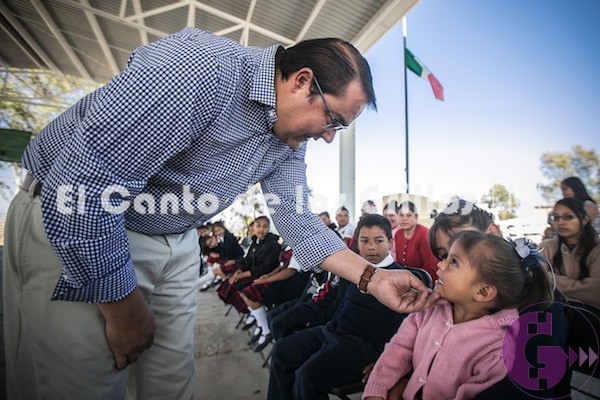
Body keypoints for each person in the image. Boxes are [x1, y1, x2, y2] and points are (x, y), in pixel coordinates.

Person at [3, 28, 437, 400]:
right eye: (332, 120)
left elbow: (300, 222)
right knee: (85, 383)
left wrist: (374, 278)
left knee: (171, 385)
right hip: (86, 228)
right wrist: (121, 307)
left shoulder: (286, 139)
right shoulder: (199, 70)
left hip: (176, 239)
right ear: (302, 81)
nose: (328, 138)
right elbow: (83, 188)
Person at [377, 198, 570, 400]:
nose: (442, 265)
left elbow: (526, 390)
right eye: (444, 255)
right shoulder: (445, 305)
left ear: (492, 233)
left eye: (457, 256)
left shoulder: (543, 306)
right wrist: (394, 378)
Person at [267, 215, 409, 400]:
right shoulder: (354, 271)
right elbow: (337, 303)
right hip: (333, 331)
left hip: (363, 346)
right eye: (364, 241)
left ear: (390, 243)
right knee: (282, 351)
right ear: (357, 243)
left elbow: (406, 330)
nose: (371, 247)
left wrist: (384, 359)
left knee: (307, 376)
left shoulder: (400, 278)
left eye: (378, 241)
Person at [539, 197, 600, 307]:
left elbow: (595, 292)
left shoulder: (596, 249)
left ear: (585, 220)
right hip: (554, 309)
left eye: (568, 217)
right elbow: (538, 280)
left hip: (590, 313)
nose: (560, 222)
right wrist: (579, 288)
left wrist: (550, 278)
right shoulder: (546, 247)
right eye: (555, 217)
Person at [393, 201, 439, 279]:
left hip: (425, 279)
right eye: (401, 215)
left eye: (408, 215)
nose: (404, 219)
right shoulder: (398, 234)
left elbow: (431, 268)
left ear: (416, 216)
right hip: (404, 279)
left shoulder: (424, 234)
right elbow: (399, 263)